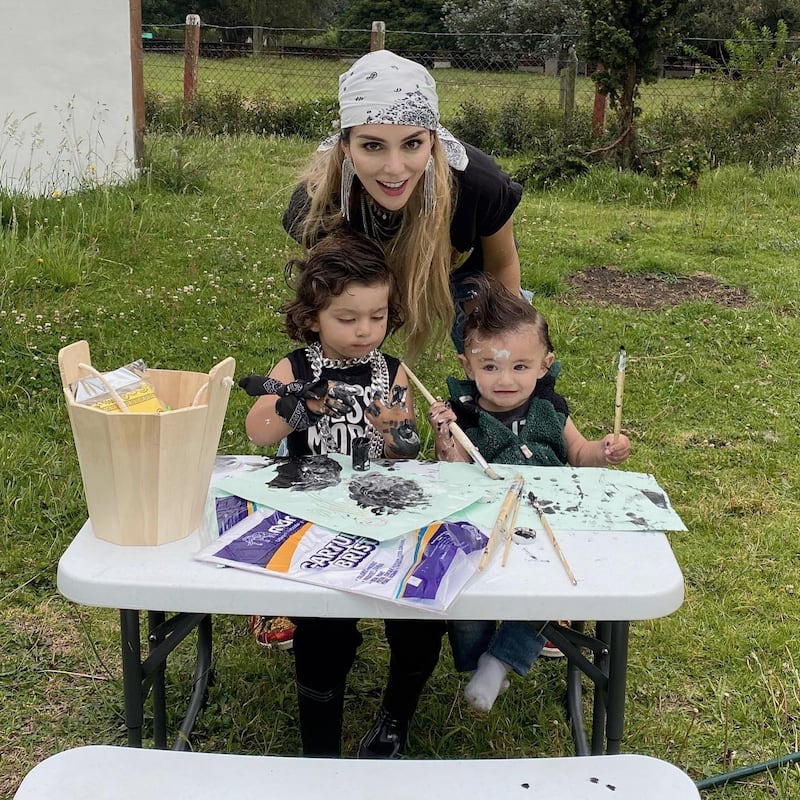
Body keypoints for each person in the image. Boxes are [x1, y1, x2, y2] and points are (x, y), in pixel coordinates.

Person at [240, 230, 445, 758]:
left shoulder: (392, 371)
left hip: (384, 502)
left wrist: (397, 432)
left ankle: (395, 719)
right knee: (324, 628)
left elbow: (404, 452)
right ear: (312, 317)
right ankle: (321, 745)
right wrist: (301, 408)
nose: (364, 332)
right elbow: (258, 432)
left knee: (419, 620)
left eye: (377, 317)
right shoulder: (297, 369)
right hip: (314, 507)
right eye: (347, 319)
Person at [427, 274, 631, 713]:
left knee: (548, 592)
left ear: (544, 365)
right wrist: (445, 439)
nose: (506, 379)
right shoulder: (464, 416)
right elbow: (452, 476)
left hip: (547, 526)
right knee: (466, 598)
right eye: (490, 366)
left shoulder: (550, 409)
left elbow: (579, 453)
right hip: (483, 528)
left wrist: (604, 450)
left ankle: (500, 661)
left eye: (520, 366)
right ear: (467, 366)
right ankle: (475, 655)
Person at [282, 48, 525, 360]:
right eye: (372, 146)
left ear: (433, 141)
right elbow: (335, 301)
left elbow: (502, 267)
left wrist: (505, 345)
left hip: (469, 272)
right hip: (369, 274)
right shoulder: (316, 205)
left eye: (412, 144)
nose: (395, 169)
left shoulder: (479, 185)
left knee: (505, 360)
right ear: (345, 147)